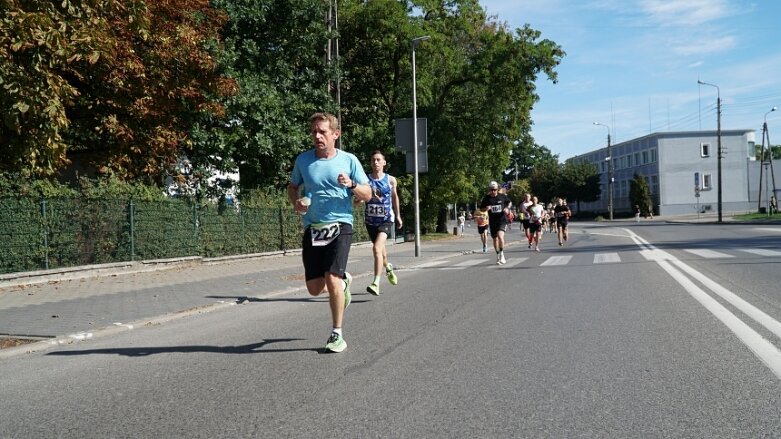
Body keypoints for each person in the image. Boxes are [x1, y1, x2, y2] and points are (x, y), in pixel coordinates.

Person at [288, 112, 371, 353]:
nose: (317, 136)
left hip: (341, 225)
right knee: (314, 288)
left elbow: (367, 194)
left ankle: (337, 334)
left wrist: (352, 185)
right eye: (314, 131)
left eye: (322, 131)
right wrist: (297, 202)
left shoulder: (349, 160)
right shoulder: (303, 161)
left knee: (332, 278)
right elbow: (292, 187)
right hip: (313, 227)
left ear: (335, 134)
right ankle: (343, 284)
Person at [364, 150, 401, 296]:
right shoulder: (365, 180)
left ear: (384, 163)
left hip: (386, 220)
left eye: (379, 160)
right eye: (373, 160)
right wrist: (359, 200)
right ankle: (389, 268)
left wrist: (398, 216)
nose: (376, 162)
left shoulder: (390, 180)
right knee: (381, 253)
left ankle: (376, 283)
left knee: (376, 249)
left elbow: (394, 198)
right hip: (371, 221)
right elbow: (360, 198)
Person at [479, 181, 513, 264]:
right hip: (492, 221)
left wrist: (507, 208)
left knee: (500, 236)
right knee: (495, 239)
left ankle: (502, 254)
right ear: (489, 190)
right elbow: (481, 208)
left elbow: (509, 202)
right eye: (491, 190)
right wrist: (486, 208)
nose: (493, 191)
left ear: (497, 189)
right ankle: (498, 254)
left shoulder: (502, 196)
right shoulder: (487, 198)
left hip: (502, 220)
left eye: (494, 190)